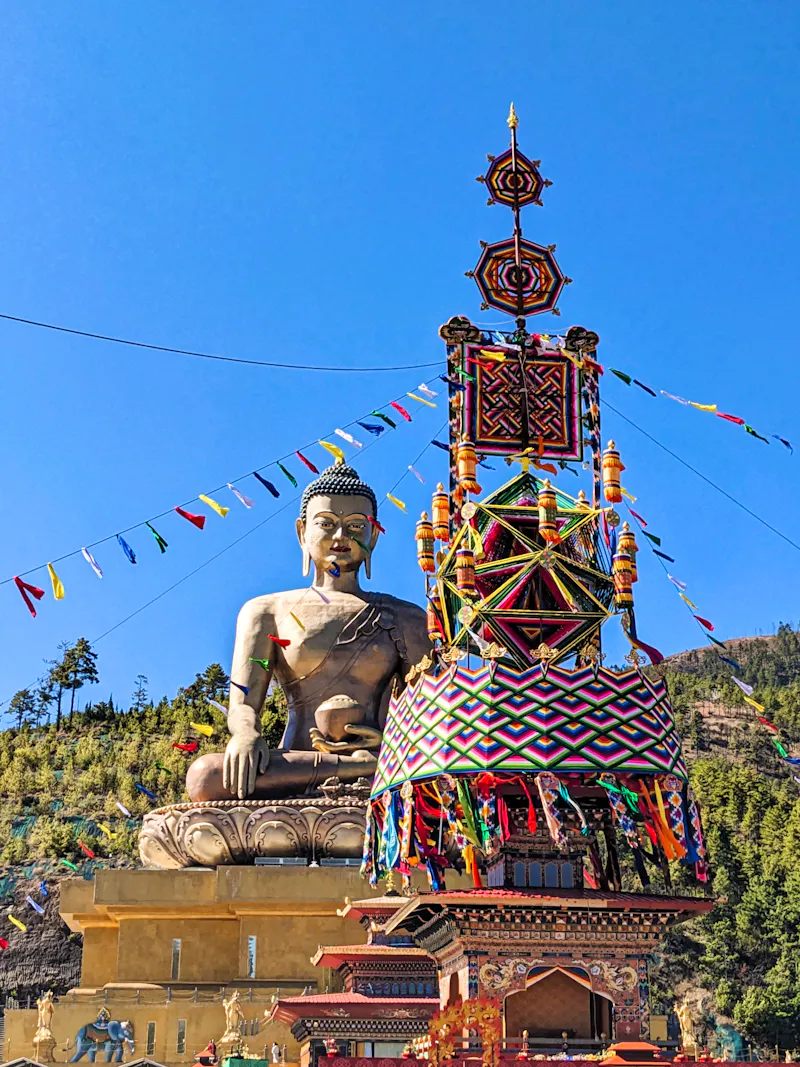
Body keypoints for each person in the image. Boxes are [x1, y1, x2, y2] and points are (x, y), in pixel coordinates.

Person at [186, 463, 430, 801]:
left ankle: (365, 767)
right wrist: (244, 734)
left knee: (434, 774)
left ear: (373, 536)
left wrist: (393, 744)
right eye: (326, 524)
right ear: (302, 532)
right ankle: (354, 768)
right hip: (295, 765)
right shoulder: (266, 611)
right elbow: (244, 703)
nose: (341, 536)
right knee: (205, 775)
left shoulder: (407, 617)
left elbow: (430, 714)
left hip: (384, 763)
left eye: (356, 526)